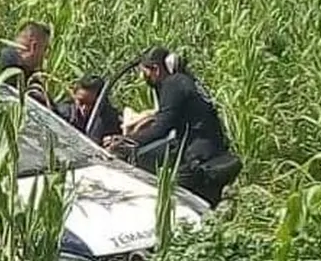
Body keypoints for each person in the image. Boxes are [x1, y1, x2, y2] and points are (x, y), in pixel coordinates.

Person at [106, 46, 237, 205]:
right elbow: (169, 117)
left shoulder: (172, 85)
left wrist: (127, 140)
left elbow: (161, 129)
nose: (143, 77)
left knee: (171, 199)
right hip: (211, 148)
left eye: (145, 72)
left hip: (198, 157)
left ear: (156, 69)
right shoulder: (184, 80)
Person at [0, 21, 52, 107]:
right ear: (34, 47)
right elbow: (43, 105)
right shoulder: (10, 71)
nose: (46, 56)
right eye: (45, 49)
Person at [61, 74, 122, 146]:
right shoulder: (64, 112)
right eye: (81, 102)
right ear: (74, 95)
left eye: (91, 104)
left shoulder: (109, 120)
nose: (84, 108)